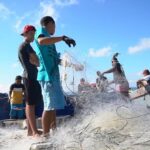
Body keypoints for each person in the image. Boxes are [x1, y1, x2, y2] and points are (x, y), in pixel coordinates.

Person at [34, 16, 76, 136]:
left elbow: (57, 60)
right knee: (48, 106)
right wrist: (63, 38)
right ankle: (45, 135)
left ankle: (54, 131)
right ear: (49, 23)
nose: (55, 28)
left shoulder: (51, 41)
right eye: (54, 25)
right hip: (46, 76)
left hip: (53, 77)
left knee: (52, 106)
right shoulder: (41, 31)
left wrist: (73, 66)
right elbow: (41, 41)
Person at [18, 25, 42, 137]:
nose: (33, 36)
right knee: (30, 104)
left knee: (30, 104)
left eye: (34, 33)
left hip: (30, 77)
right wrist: (36, 61)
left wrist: (36, 61)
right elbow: (37, 62)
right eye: (31, 33)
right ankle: (34, 131)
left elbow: (36, 61)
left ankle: (30, 131)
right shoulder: (26, 46)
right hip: (30, 77)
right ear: (25, 34)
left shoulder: (25, 46)